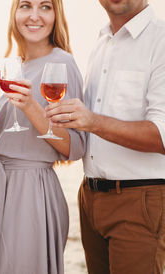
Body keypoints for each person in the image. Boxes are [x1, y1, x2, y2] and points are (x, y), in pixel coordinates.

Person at [46, 1, 165, 273]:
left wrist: (94, 122)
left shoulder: (161, 41)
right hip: (90, 198)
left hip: (139, 200)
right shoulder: (102, 43)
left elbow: (162, 136)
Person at [0, 0, 86, 273]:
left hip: (32, 193)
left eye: (45, 6)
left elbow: (75, 147)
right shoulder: (14, 67)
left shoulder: (62, 63)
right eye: (25, 5)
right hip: (4, 190)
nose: (34, 15)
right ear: (14, 13)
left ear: (55, 14)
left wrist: (31, 107)